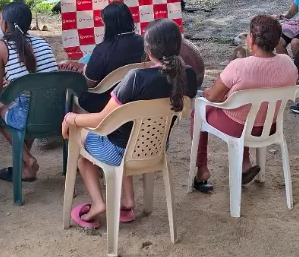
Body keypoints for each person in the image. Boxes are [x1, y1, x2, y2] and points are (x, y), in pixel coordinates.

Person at [61, 19, 199, 228]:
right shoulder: (186, 74)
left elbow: (102, 119)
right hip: (157, 147)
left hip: (120, 151)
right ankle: (128, 201)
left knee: (80, 146)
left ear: (149, 48)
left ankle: (98, 204)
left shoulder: (136, 78)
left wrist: (71, 118)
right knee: (125, 131)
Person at [192, 15, 298, 192]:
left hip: (238, 127)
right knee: (248, 109)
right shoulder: (288, 64)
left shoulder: (239, 66)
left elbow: (214, 97)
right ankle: (245, 164)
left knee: (200, 109)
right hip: (270, 126)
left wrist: (210, 93)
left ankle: (202, 169)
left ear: (253, 39)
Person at [0, 2, 57, 182]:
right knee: (28, 102)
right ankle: (24, 168)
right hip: (55, 111)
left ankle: (28, 161)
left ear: (4, 24)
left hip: (29, 115)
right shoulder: (42, 42)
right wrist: (15, 83)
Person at [77, 3, 146, 113]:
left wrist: (85, 69)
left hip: (108, 104)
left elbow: (89, 83)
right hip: (138, 99)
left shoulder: (103, 50)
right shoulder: (145, 43)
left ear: (108, 25)